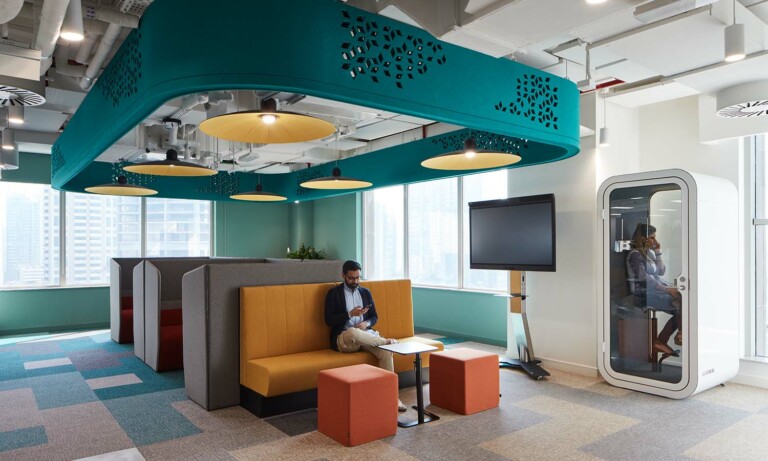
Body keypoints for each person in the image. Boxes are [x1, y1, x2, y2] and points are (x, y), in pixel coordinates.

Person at [325, 260, 407, 412]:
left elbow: (374, 316)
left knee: (386, 352)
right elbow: (328, 319)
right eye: (351, 278)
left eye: (357, 278)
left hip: (365, 336)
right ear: (343, 275)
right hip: (344, 339)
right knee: (354, 332)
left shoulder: (365, 293)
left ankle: (393, 398)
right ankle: (385, 341)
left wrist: (366, 323)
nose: (355, 281)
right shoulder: (334, 293)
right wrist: (350, 314)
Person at [626, 223, 682, 356]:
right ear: (642, 239)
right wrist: (667, 290)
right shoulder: (635, 255)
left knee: (682, 301)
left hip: (655, 290)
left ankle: (662, 341)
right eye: (652, 238)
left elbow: (661, 271)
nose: (655, 241)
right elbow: (643, 278)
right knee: (680, 305)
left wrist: (657, 252)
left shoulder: (648, 253)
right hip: (643, 294)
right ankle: (675, 336)